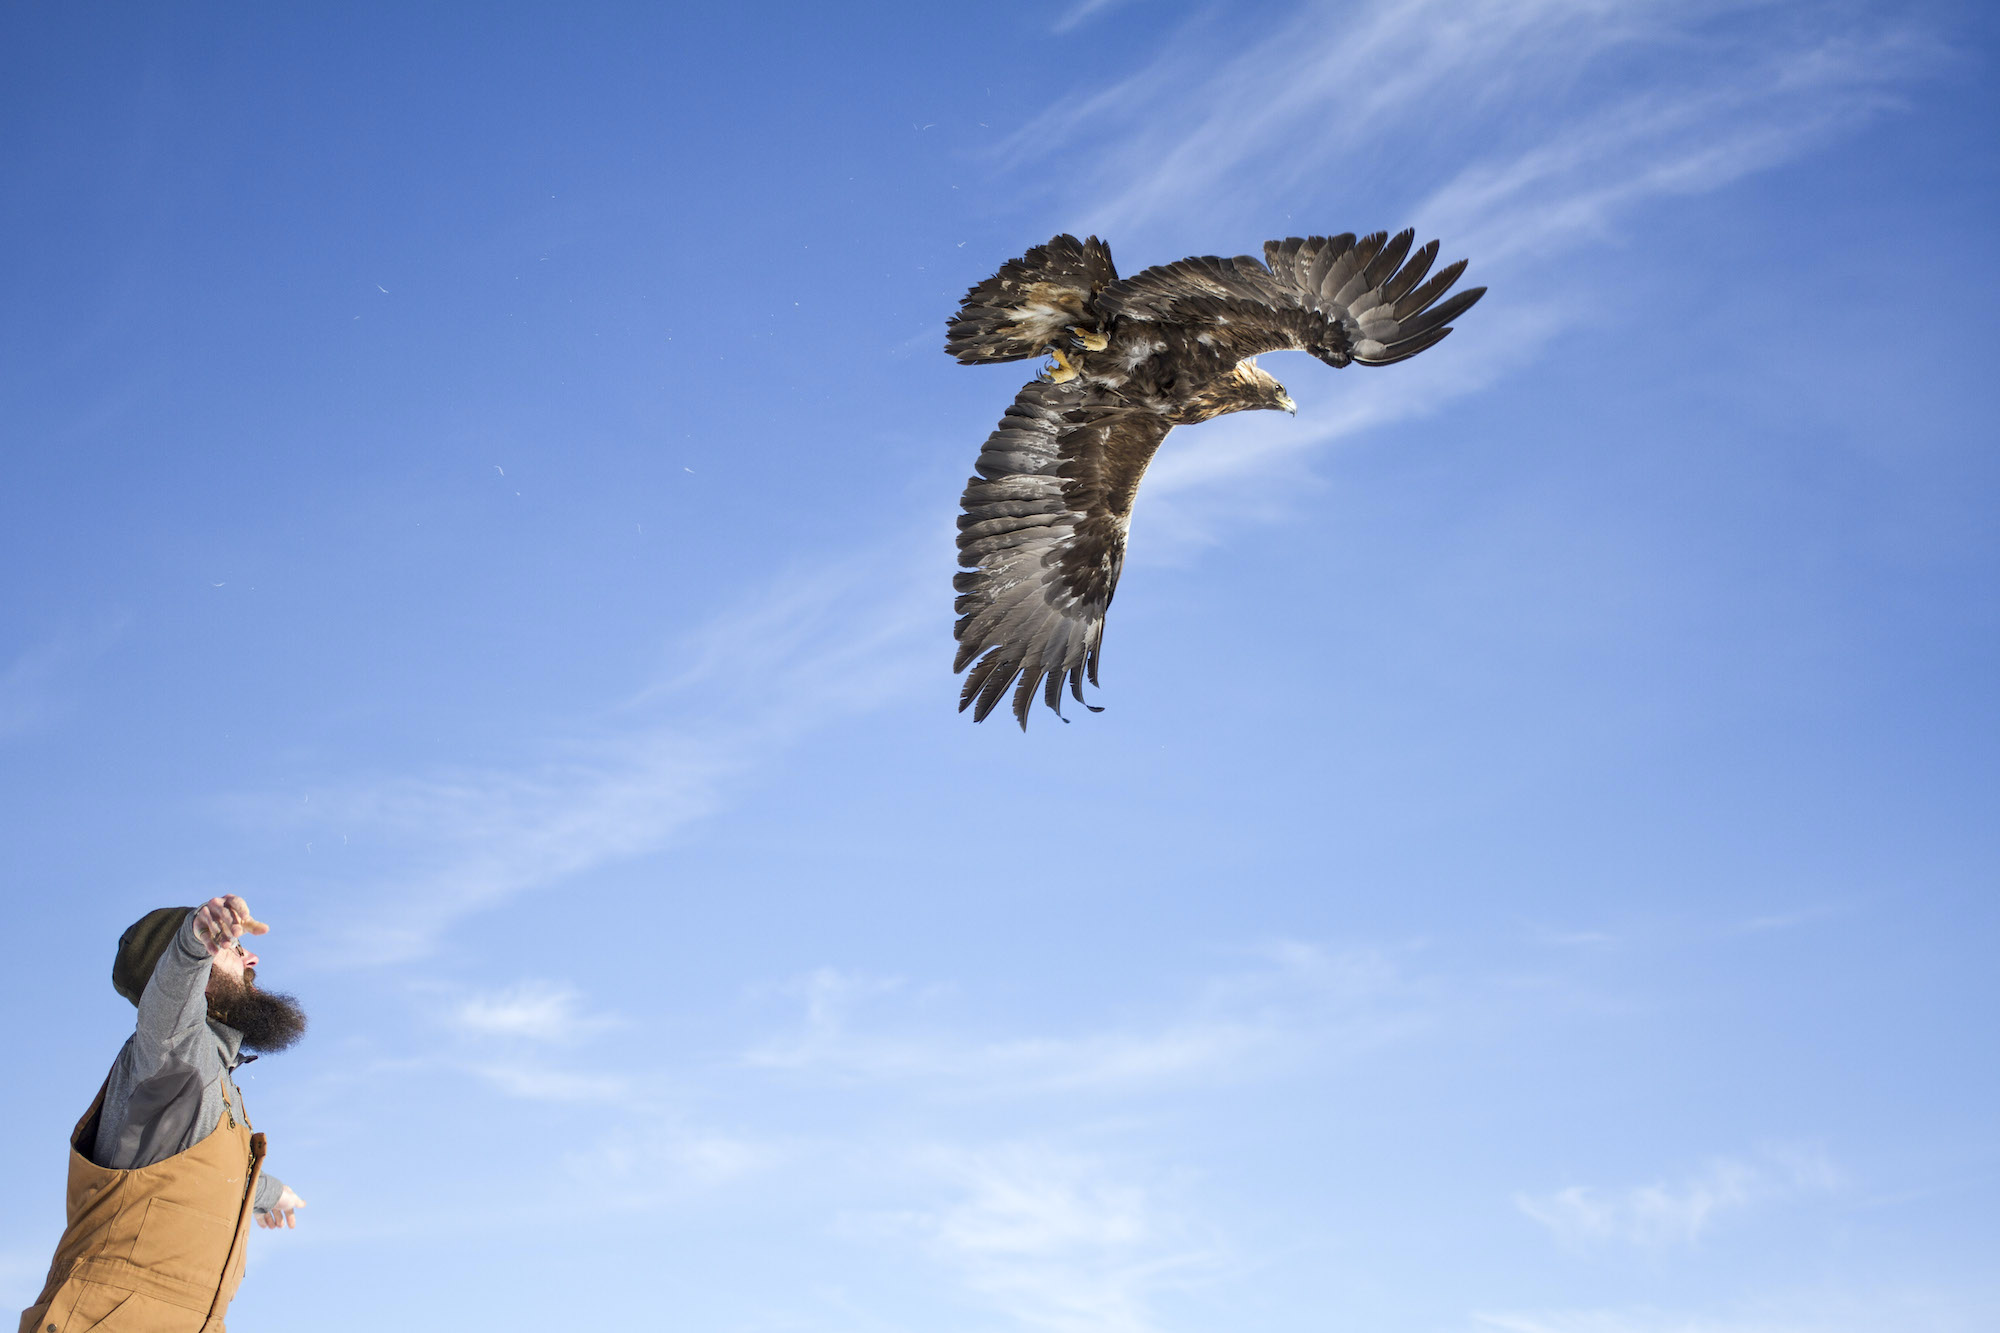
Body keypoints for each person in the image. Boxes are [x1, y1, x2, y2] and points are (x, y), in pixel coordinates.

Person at [18, 895, 308, 1333]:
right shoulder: (172, 1052)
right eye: (232, 948)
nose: (252, 957)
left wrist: (268, 1193)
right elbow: (169, 1002)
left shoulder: (212, 1077)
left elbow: (191, 1176)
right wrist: (194, 941)